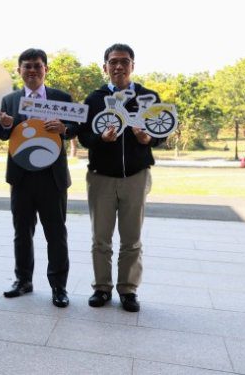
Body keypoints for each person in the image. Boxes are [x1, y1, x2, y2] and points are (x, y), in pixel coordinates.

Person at [78, 43, 165, 312]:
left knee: (132, 238)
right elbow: (84, 137)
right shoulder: (94, 99)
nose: (118, 66)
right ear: (105, 66)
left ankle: (128, 290)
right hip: (101, 177)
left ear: (132, 66)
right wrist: (101, 139)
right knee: (100, 238)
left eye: (124, 61)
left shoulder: (148, 96)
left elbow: (161, 134)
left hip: (136, 177)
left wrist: (149, 139)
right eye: (113, 61)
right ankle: (101, 288)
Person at [0, 48, 78, 308]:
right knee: (22, 233)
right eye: (27, 66)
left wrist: (64, 128)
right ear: (19, 70)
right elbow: (3, 134)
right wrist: (5, 124)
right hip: (21, 177)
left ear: (46, 69)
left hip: (52, 177)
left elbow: (77, 127)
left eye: (37, 65)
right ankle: (23, 280)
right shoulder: (10, 100)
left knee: (56, 233)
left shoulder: (61, 98)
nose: (32, 70)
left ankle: (59, 286)